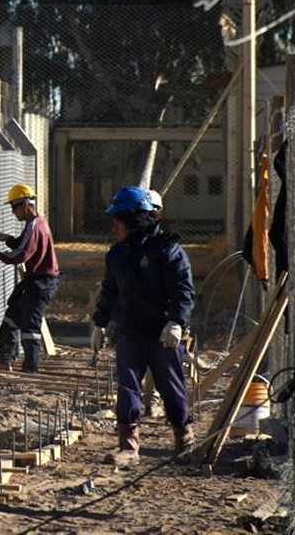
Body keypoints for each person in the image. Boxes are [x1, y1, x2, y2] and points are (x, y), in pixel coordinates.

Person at [92, 186, 196, 466]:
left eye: (119, 219)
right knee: (128, 387)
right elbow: (110, 291)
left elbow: (184, 291)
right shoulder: (117, 255)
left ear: (135, 219)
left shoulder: (168, 250)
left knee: (171, 386)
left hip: (163, 334)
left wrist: (176, 322)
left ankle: (184, 438)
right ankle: (128, 447)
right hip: (130, 332)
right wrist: (100, 324)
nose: (114, 226)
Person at [0, 183, 59, 373]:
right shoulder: (37, 222)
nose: (13, 212)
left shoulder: (34, 226)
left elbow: (22, 254)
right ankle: (5, 359)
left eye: (14, 207)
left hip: (41, 283)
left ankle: (31, 368)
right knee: (10, 319)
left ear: (25, 204)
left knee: (30, 327)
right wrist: (8, 239)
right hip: (35, 281)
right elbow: (25, 244)